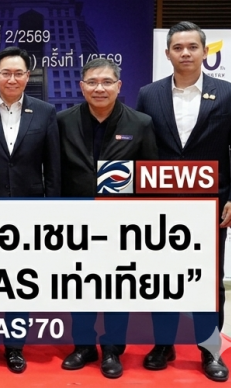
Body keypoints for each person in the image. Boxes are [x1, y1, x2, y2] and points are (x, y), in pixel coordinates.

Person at [136, 21, 231, 383]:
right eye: (178, 47)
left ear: (205, 51)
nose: (185, 53)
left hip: (211, 206)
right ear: (167, 53)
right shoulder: (148, 94)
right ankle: (163, 344)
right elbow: (141, 147)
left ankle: (210, 350)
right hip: (161, 205)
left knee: (209, 281)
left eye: (192, 47)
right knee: (162, 277)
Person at [58, 57, 157, 379]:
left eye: (106, 82)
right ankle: (83, 345)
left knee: (116, 288)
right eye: (92, 82)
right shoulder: (62, 121)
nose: (99, 88)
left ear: (119, 86)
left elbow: (149, 178)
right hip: (75, 222)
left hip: (121, 225)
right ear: (81, 86)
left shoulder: (140, 123)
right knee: (79, 287)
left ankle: (113, 349)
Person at [0, 46, 60, 374]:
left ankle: (16, 346)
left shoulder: (45, 112)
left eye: (19, 73)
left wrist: (52, 213)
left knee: (21, 281)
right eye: (5, 73)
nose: (12, 79)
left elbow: (53, 167)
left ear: (27, 76)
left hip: (28, 213)